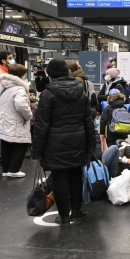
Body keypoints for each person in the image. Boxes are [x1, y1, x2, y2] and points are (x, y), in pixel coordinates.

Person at [31, 58, 95, 226]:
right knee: (75, 174)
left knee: (59, 177)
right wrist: (90, 145)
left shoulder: (47, 94)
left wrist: (36, 151)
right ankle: (77, 210)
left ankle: (64, 216)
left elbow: (41, 125)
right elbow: (88, 121)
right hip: (78, 140)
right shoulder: (81, 91)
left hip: (55, 142)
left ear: (50, 74)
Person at [0, 64, 32, 178]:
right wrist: (28, 115)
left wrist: (1, 113)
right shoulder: (19, 88)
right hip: (16, 120)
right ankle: (14, 169)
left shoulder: (3, 86)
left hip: (4, 119)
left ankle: (6, 170)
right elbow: (20, 104)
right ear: (21, 75)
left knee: (6, 144)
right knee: (22, 144)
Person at [0, 50, 15, 169]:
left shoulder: (8, 72)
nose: (12, 59)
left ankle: (4, 156)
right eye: (10, 58)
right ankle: (0, 157)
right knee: (2, 132)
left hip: (6, 105)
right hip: (2, 106)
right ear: (3, 60)